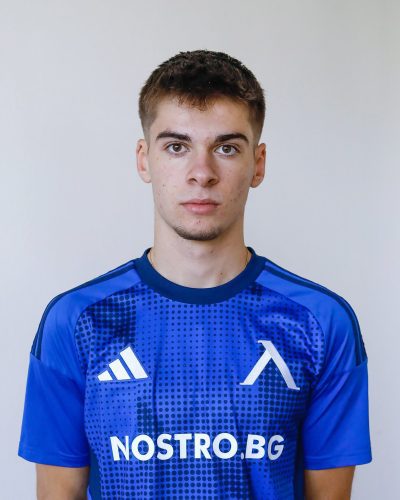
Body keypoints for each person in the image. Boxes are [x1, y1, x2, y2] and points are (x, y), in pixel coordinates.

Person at [18, 49, 372, 499]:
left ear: (258, 163)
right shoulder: (76, 321)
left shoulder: (320, 322)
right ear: (144, 159)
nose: (202, 173)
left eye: (227, 148)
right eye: (176, 147)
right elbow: (58, 492)